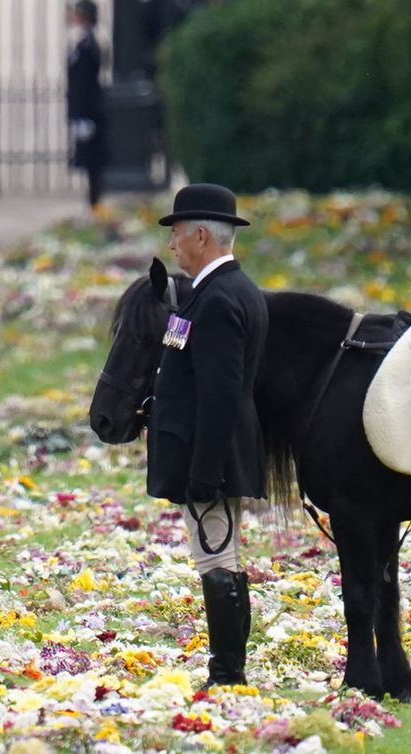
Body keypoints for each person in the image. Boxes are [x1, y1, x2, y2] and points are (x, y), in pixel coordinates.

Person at [147, 183, 268, 687]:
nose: (172, 245)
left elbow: (220, 395)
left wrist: (204, 473)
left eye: (176, 234)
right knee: (224, 556)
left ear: (200, 235)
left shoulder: (218, 300)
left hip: (208, 456)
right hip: (209, 453)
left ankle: (227, 674)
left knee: (215, 558)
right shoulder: (224, 291)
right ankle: (229, 668)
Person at [66, 0, 107, 214]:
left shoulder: (88, 43)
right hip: (85, 111)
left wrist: (80, 115)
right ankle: (93, 201)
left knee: (93, 161)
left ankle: (95, 201)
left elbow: (84, 83)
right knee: (90, 161)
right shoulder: (82, 41)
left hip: (89, 111)